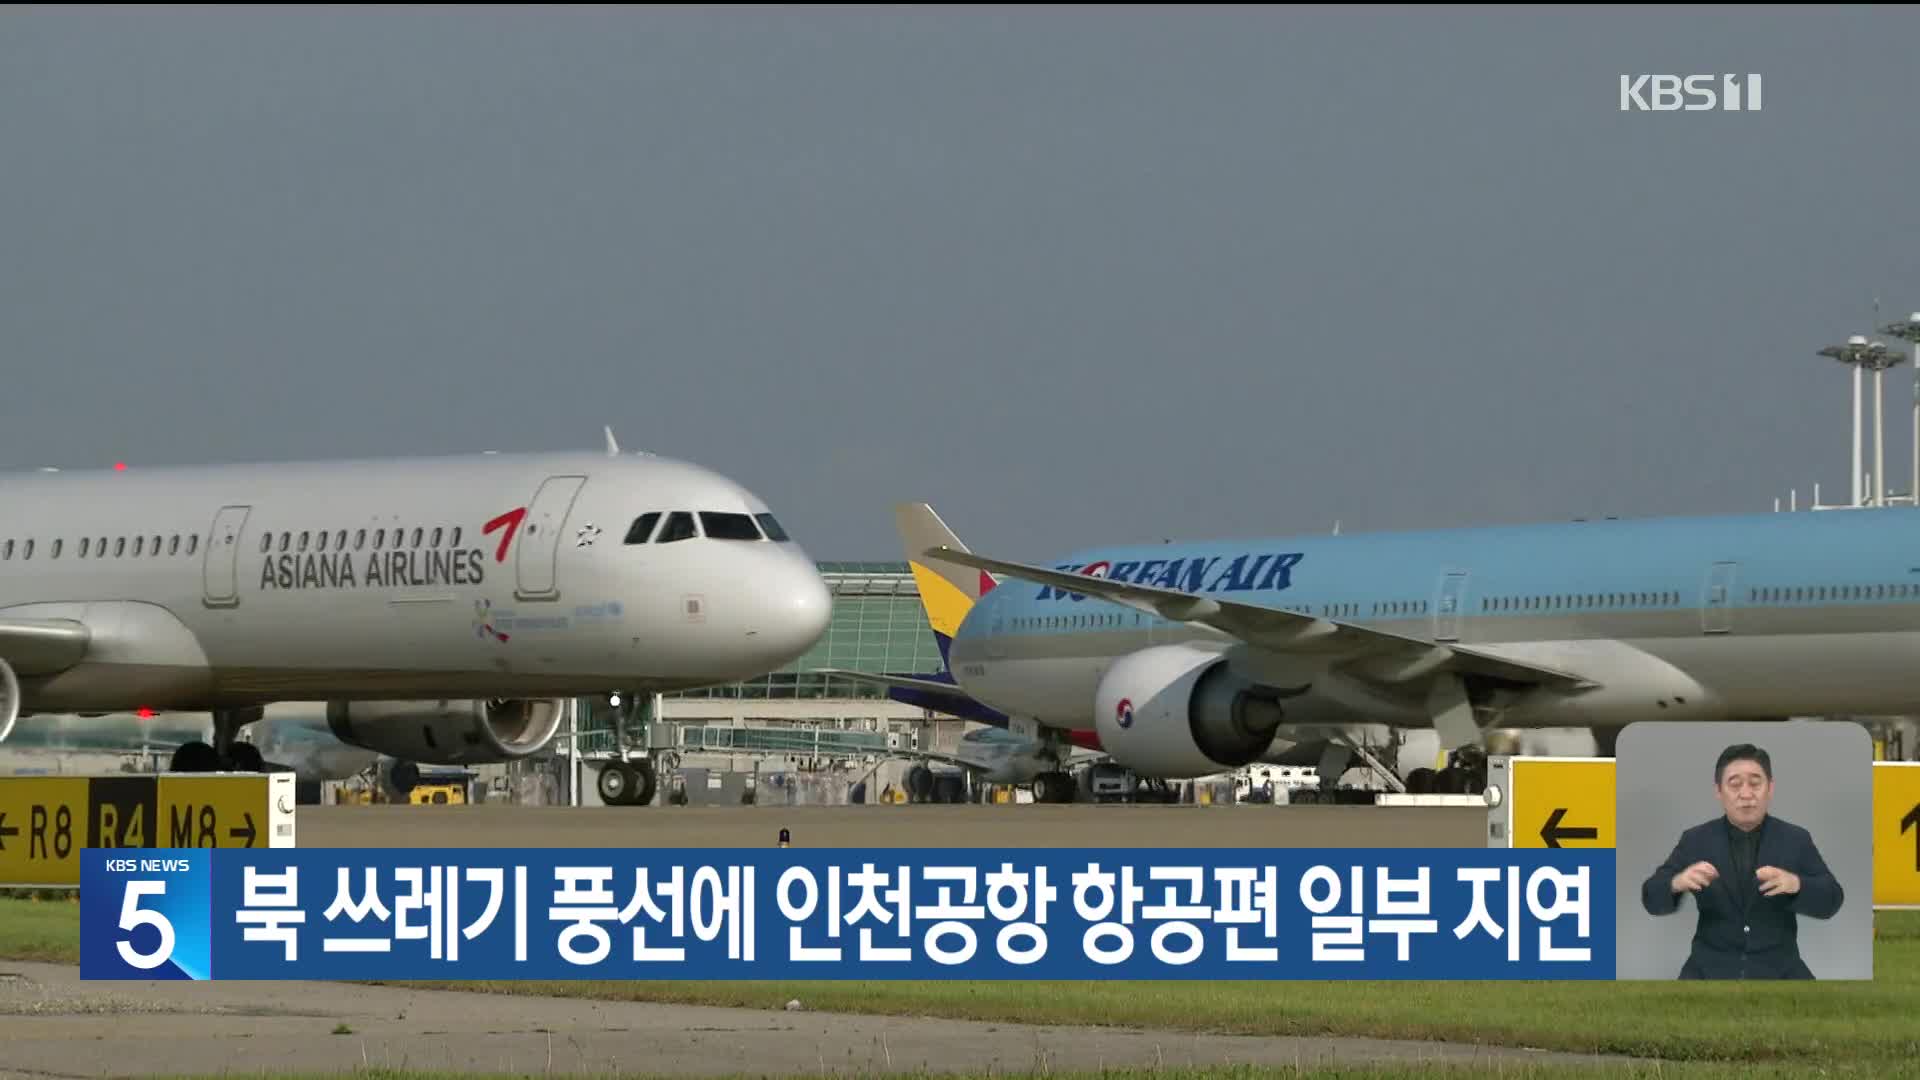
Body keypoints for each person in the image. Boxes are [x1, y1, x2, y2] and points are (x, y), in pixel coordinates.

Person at [1640, 743, 1843, 979]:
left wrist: (1797, 884)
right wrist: (1676, 882)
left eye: (1755, 783)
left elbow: (1832, 899)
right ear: (1718, 791)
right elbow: (1650, 897)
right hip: (1708, 969)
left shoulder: (1795, 839)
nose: (1746, 794)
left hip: (1780, 969)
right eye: (1735, 784)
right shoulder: (1696, 839)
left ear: (1770, 788)